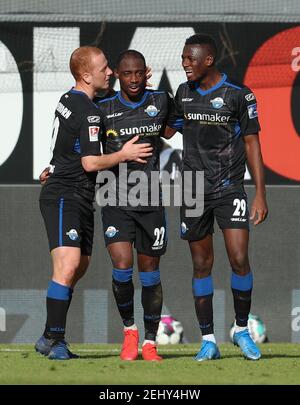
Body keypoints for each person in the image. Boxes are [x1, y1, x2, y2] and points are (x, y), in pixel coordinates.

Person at [35, 46, 153, 360]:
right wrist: (123, 155)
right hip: (65, 194)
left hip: (78, 195)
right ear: (86, 75)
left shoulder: (70, 98)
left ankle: (48, 334)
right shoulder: (88, 111)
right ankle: (56, 341)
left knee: (80, 266)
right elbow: (89, 163)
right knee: (68, 265)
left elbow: (67, 142)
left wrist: (141, 83)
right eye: (104, 68)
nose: (111, 72)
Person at [165, 34, 268, 361]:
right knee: (201, 264)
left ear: (208, 60)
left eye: (189, 59)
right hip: (193, 187)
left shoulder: (239, 94)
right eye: (183, 58)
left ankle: (240, 329)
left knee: (239, 258)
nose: (184, 64)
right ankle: (208, 339)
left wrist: (260, 194)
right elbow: (168, 130)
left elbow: (252, 143)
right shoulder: (184, 93)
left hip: (229, 188)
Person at [96, 50, 175, 361]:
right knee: (122, 267)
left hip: (151, 200)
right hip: (114, 198)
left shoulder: (161, 101)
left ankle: (151, 342)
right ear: (117, 74)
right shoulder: (102, 108)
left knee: (151, 273)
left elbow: (173, 129)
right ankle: (130, 332)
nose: (132, 79)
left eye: (138, 73)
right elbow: (84, 149)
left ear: (147, 73)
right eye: (126, 74)